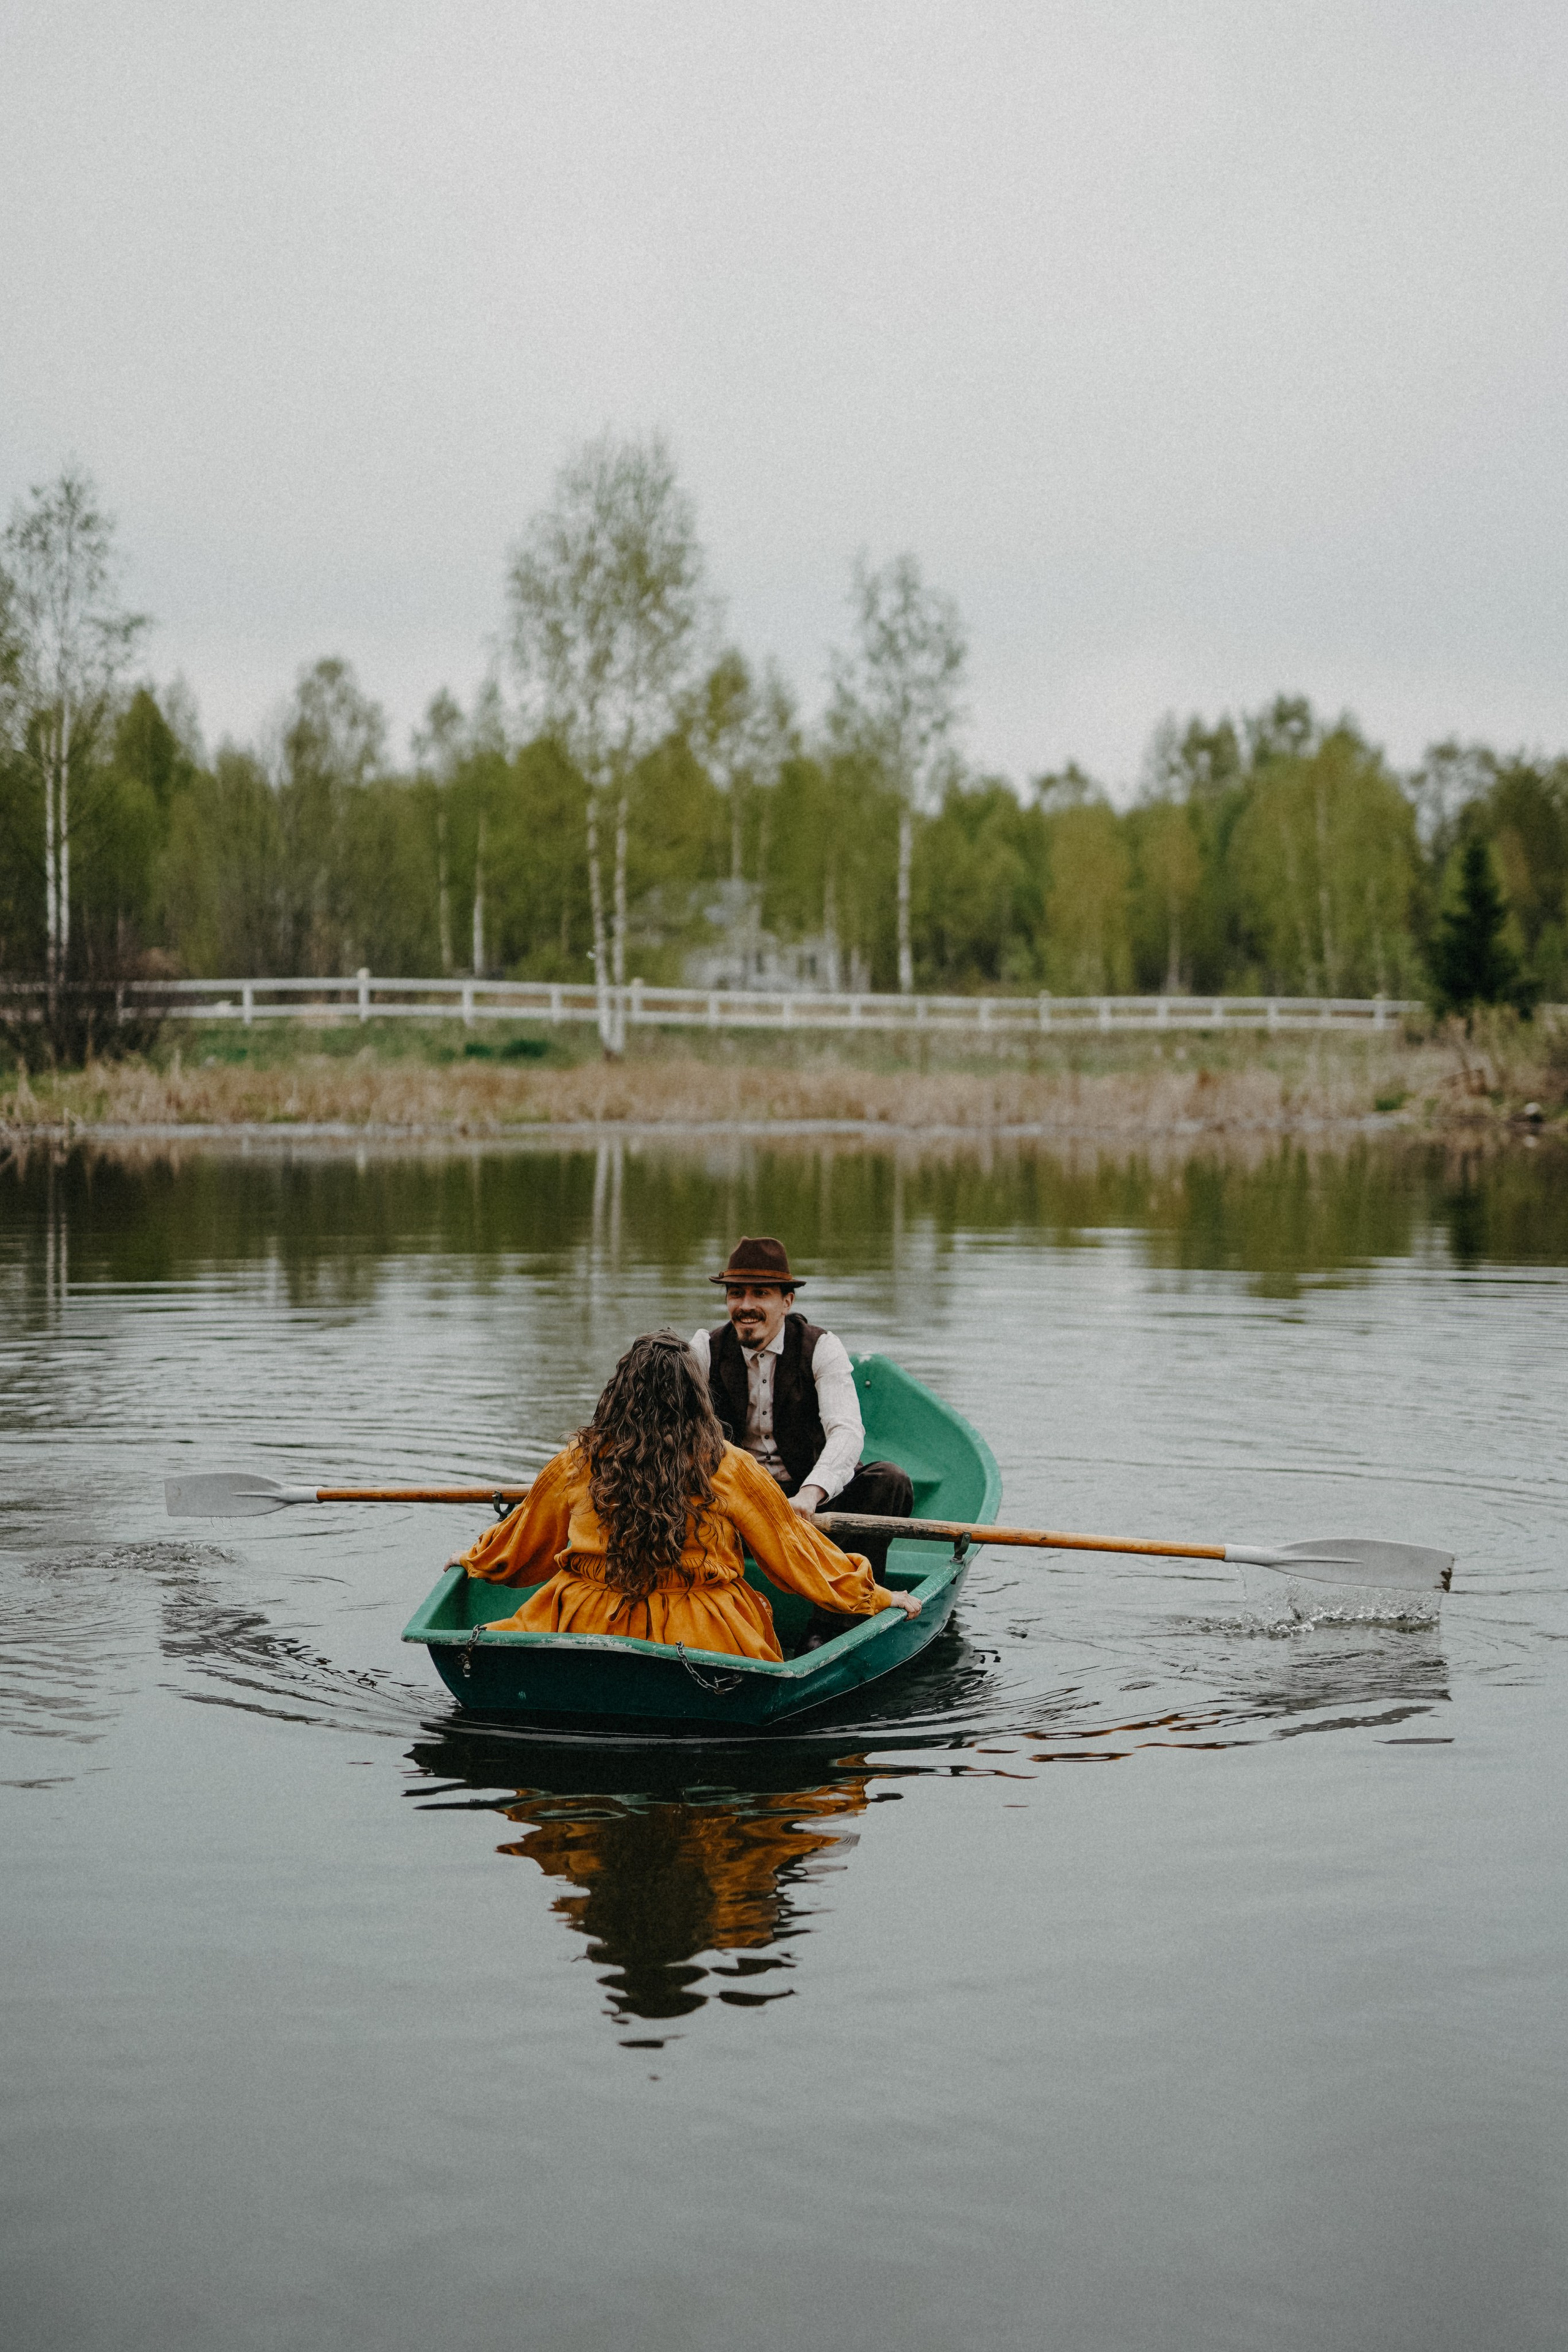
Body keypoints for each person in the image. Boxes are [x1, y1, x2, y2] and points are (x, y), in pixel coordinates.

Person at [456, 1330, 919, 1661]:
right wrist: (876, 1595)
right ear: (696, 1397)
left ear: (618, 1394)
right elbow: (795, 1553)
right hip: (701, 1632)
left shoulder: (578, 1461)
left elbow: (523, 1539)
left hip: (586, 1618)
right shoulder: (731, 1465)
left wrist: (474, 1559)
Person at [687, 1235, 914, 1586]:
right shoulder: (705, 1348)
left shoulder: (821, 1347)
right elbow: (668, 1429)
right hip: (735, 1504)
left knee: (890, 1481)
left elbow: (846, 1431)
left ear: (787, 1302)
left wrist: (811, 1493)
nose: (746, 1306)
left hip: (807, 1502)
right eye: (736, 1293)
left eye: (760, 1294)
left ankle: (843, 1607)